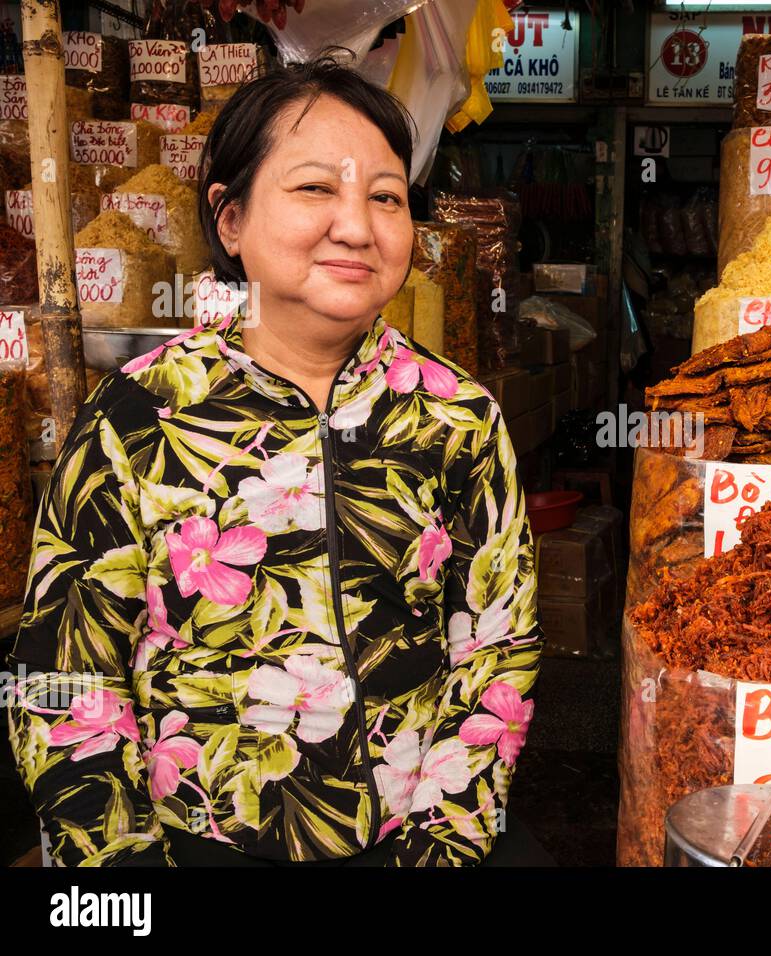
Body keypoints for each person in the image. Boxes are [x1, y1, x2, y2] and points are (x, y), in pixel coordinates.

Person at [5, 54, 547, 866]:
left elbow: (496, 647)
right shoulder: (139, 414)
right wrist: (124, 866)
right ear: (229, 220)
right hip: (191, 846)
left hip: (412, 840)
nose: (358, 227)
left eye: (386, 197)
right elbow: (62, 673)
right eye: (315, 188)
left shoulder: (458, 418)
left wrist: (445, 841)